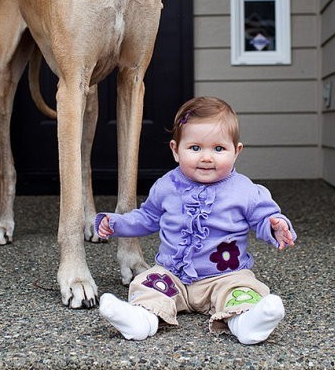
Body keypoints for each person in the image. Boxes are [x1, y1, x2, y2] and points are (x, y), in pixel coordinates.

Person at [95, 96, 296, 344]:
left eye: (219, 149)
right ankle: (140, 320)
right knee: (148, 284)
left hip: (225, 276)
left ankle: (247, 323)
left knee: (242, 291)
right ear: (175, 150)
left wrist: (275, 226)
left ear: (237, 151)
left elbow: (263, 217)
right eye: (195, 148)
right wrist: (115, 224)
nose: (206, 157)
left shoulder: (245, 190)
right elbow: (146, 218)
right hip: (173, 275)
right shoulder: (166, 186)